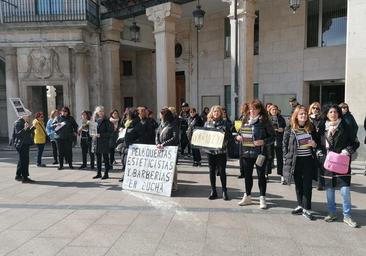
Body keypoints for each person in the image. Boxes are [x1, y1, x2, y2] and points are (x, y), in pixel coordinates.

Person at [318, 104, 359, 228]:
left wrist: (347, 150)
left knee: (345, 190)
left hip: (342, 162)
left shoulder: (345, 126)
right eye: (330, 112)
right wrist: (319, 152)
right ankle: (332, 213)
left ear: (339, 113)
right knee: (329, 190)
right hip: (328, 164)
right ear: (327, 114)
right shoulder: (322, 127)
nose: (333, 114)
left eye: (335, 112)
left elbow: (355, 142)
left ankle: (347, 216)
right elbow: (318, 142)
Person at [236, 99, 275, 209]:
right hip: (246, 152)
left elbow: (273, 137)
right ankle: (247, 196)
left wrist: (263, 141)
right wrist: (237, 137)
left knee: (261, 176)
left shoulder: (264, 121)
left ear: (259, 110)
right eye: (251, 109)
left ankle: (262, 197)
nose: (252, 111)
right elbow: (239, 133)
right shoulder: (244, 119)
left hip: (260, 153)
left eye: (255, 109)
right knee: (247, 175)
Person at [283, 105, 319, 220]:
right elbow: (284, 144)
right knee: (298, 184)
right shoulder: (290, 128)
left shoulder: (311, 127)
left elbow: (318, 142)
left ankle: (307, 208)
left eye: (305, 114)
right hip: (296, 160)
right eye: (301, 114)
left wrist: (315, 145)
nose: (303, 116)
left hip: (308, 160)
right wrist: (286, 156)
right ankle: (300, 205)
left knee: (307, 185)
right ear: (296, 116)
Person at [204, 105, 232, 201]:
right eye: (214, 111)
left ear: (220, 113)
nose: (216, 113)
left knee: (222, 171)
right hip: (210, 151)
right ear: (212, 113)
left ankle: (224, 191)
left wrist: (223, 138)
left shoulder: (225, 123)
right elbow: (204, 136)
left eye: (218, 111)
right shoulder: (207, 123)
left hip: (221, 151)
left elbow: (229, 136)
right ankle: (213, 191)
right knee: (211, 171)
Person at [156, 108, 179, 191]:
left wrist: (164, 144)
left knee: (172, 168)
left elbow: (175, 137)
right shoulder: (161, 124)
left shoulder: (173, 124)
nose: (159, 115)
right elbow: (157, 134)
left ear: (164, 115)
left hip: (170, 149)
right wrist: (157, 143)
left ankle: (174, 185)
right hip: (161, 148)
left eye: (161, 114)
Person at [119, 108, 143, 182]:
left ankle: (128, 176)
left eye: (127, 115)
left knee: (129, 162)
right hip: (126, 144)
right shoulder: (127, 122)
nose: (126, 116)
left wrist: (127, 131)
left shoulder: (137, 122)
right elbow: (123, 127)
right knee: (124, 161)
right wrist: (122, 130)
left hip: (132, 145)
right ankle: (126, 175)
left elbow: (138, 134)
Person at [13, 113, 36, 183]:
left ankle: (18, 175)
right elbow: (18, 134)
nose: (29, 117)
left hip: (25, 143)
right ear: (23, 116)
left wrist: (32, 128)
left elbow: (27, 133)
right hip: (21, 144)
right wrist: (25, 128)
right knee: (24, 161)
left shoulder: (24, 122)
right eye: (28, 116)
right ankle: (25, 178)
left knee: (22, 160)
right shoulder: (18, 123)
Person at [268, 104, 286, 184]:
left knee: (280, 158)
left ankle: (282, 175)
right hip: (269, 140)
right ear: (269, 111)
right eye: (273, 110)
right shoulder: (267, 118)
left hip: (279, 139)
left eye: (275, 109)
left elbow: (285, 127)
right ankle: (266, 174)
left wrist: (282, 129)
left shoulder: (281, 118)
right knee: (269, 157)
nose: (274, 111)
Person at [92, 106, 113, 179]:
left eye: (102, 111)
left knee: (105, 158)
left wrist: (101, 135)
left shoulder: (107, 121)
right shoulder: (95, 120)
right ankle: (98, 173)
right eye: (99, 111)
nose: (101, 112)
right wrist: (92, 134)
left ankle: (106, 174)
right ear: (97, 112)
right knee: (98, 159)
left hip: (104, 142)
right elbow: (92, 131)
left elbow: (110, 133)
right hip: (96, 142)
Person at [308, 102, 323, 190]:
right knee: (309, 163)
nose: (315, 110)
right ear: (311, 109)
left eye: (317, 108)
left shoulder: (322, 119)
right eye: (314, 108)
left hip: (319, 142)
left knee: (319, 163)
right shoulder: (308, 118)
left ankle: (320, 183)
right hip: (309, 142)